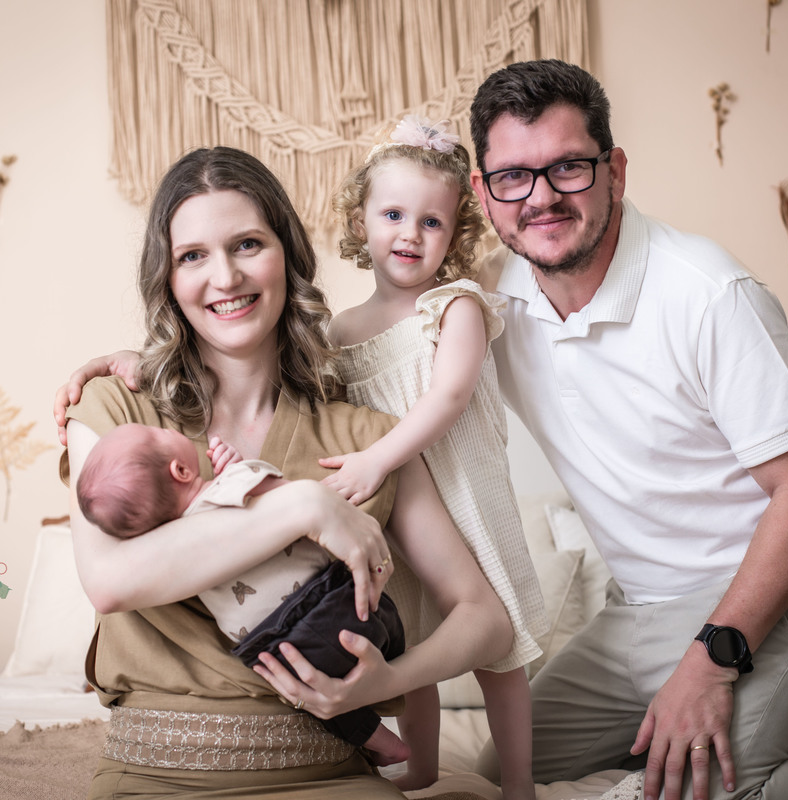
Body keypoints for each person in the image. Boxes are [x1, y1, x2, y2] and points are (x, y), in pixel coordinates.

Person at [466, 59, 788, 800]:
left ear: (616, 171)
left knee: (684, 791)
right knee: (496, 773)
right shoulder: (490, 303)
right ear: (483, 192)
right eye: (513, 176)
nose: (541, 197)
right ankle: (777, 748)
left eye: (569, 167)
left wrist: (706, 666)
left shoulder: (707, 293)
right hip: (641, 609)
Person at [58, 146, 512, 799]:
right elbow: (108, 581)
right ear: (168, 279)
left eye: (246, 244)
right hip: (153, 777)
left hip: (330, 776)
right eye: (193, 257)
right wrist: (304, 508)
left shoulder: (364, 439)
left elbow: (484, 618)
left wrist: (390, 682)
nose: (224, 277)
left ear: (289, 257)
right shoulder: (115, 407)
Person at [321, 115, 546, 800]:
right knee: (413, 643)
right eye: (393, 214)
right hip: (397, 512)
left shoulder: (456, 307)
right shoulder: (341, 330)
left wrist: (377, 460)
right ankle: (421, 769)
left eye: (431, 222)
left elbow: (447, 398)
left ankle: (519, 784)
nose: (410, 234)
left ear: (454, 235)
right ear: (362, 222)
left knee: (497, 654)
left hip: (465, 495)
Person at [75, 421, 410, 764]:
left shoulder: (167, 554)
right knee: (401, 648)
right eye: (158, 433)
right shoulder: (229, 484)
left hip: (270, 648)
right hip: (326, 602)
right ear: (180, 469)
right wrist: (245, 470)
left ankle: (383, 742)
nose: (163, 427)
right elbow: (287, 494)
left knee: (321, 701)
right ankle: (420, 744)